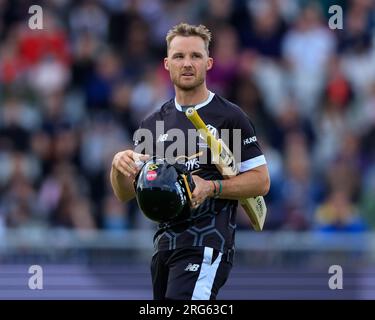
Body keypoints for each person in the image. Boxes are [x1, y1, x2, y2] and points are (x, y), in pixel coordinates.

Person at [110, 23, 270, 300]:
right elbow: (126, 194)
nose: (187, 64)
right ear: (166, 63)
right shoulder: (152, 123)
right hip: (164, 247)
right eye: (179, 56)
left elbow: (261, 181)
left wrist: (211, 188)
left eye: (195, 56)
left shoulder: (229, 117)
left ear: (208, 63)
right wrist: (117, 165)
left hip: (206, 243)